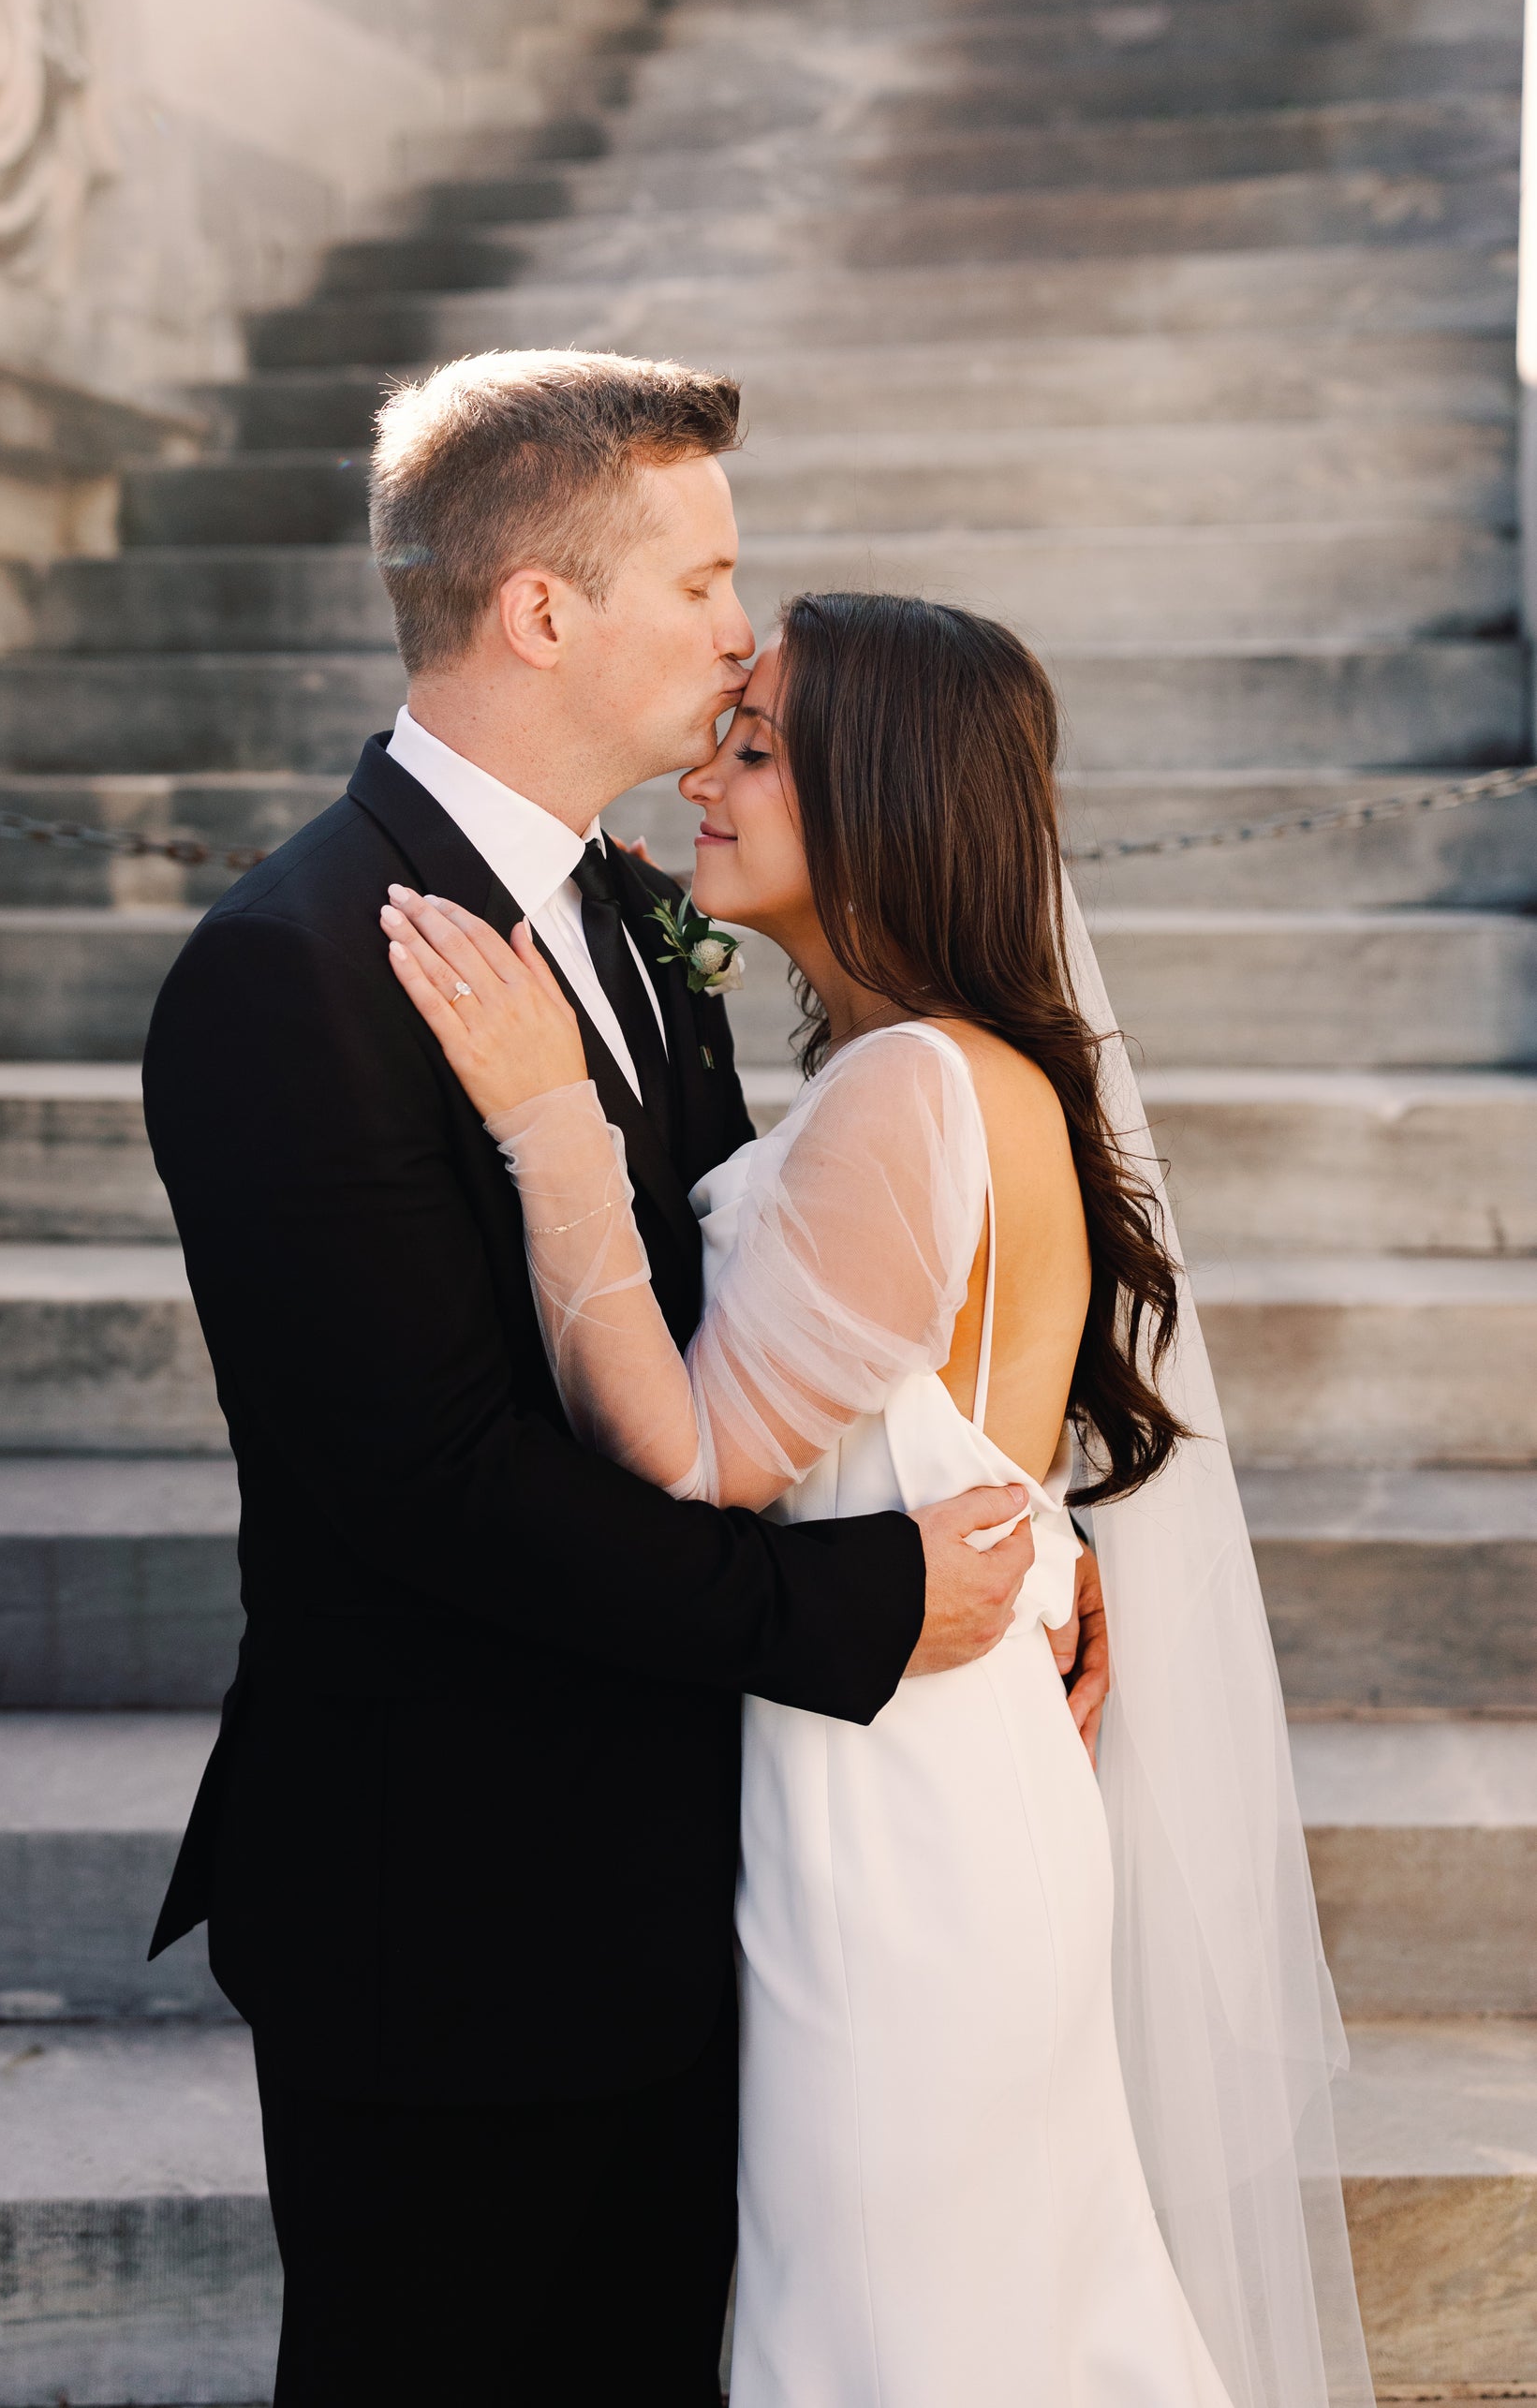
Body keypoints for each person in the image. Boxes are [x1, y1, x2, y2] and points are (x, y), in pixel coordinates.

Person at [140, 355, 1105, 2406]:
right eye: (704, 579)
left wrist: (1020, 1549)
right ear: (543, 611)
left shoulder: (650, 919)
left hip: (711, 1896)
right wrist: (873, 1603)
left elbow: (784, 1337)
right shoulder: (286, 971)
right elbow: (437, 1485)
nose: (742, 636)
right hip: (453, 1920)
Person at [381, 591, 1377, 2408]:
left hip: (901, 1831)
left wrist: (548, 1126)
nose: (704, 771)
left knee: (893, 2341)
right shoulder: (967, 1075)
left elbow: (685, 1458)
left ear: (885, 798)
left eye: (759, 750)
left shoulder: (910, 1084)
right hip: (936, 1773)